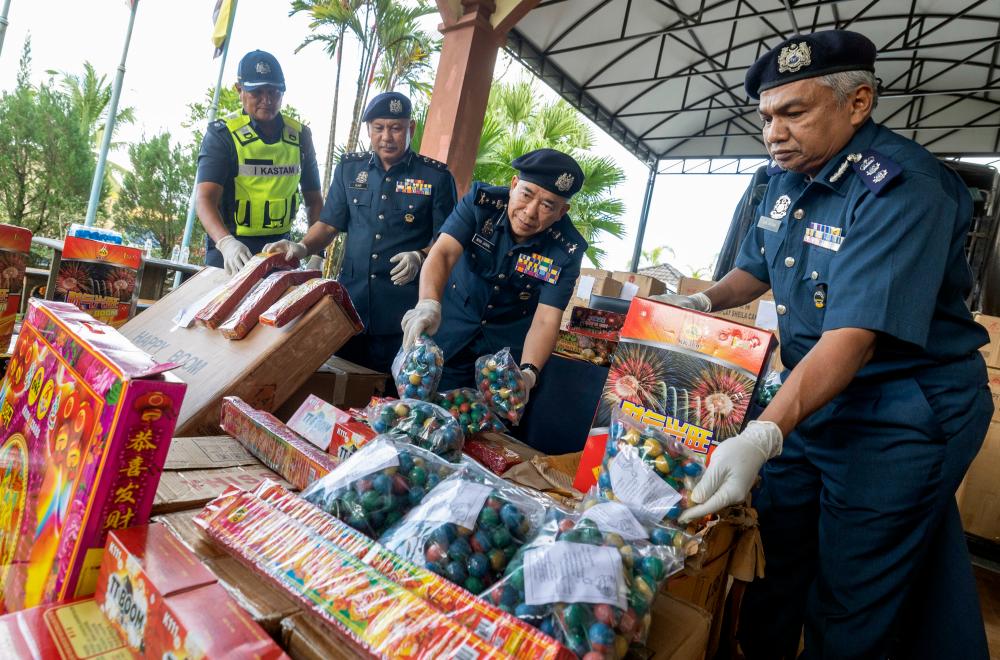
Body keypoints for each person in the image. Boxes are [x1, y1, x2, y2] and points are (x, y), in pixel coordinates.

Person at [661, 30, 991, 660]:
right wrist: (704, 301)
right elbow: (755, 266)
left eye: (794, 113)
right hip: (813, 394)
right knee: (774, 556)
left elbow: (853, 338)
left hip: (901, 411)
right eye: (765, 117)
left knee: (852, 588)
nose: (773, 133)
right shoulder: (782, 179)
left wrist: (763, 433)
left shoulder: (901, 187)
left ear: (858, 102)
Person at [265, 92, 457, 374]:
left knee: (388, 397)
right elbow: (329, 224)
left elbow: (447, 241)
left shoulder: (435, 178)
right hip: (348, 309)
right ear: (368, 129)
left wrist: (420, 255)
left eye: (396, 128)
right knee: (338, 384)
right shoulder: (349, 170)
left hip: (401, 315)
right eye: (378, 128)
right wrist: (302, 247)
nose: (386, 137)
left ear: (411, 128)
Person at [400, 148, 587, 405]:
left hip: (500, 365)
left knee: (482, 433)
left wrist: (529, 372)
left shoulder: (566, 250)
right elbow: (443, 253)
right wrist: (428, 304)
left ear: (561, 212)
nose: (530, 212)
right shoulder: (480, 204)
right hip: (447, 335)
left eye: (547, 206)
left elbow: (546, 318)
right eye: (526, 194)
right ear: (513, 185)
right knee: (416, 412)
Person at [195, 50, 323, 275]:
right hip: (230, 251)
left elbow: (314, 200)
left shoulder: (301, 136)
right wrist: (226, 243)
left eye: (274, 92)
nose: (267, 100)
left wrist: (316, 254)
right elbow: (205, 199)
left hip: (279, 251)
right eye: (257, 92)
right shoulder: (222, 135)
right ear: (240, 90)